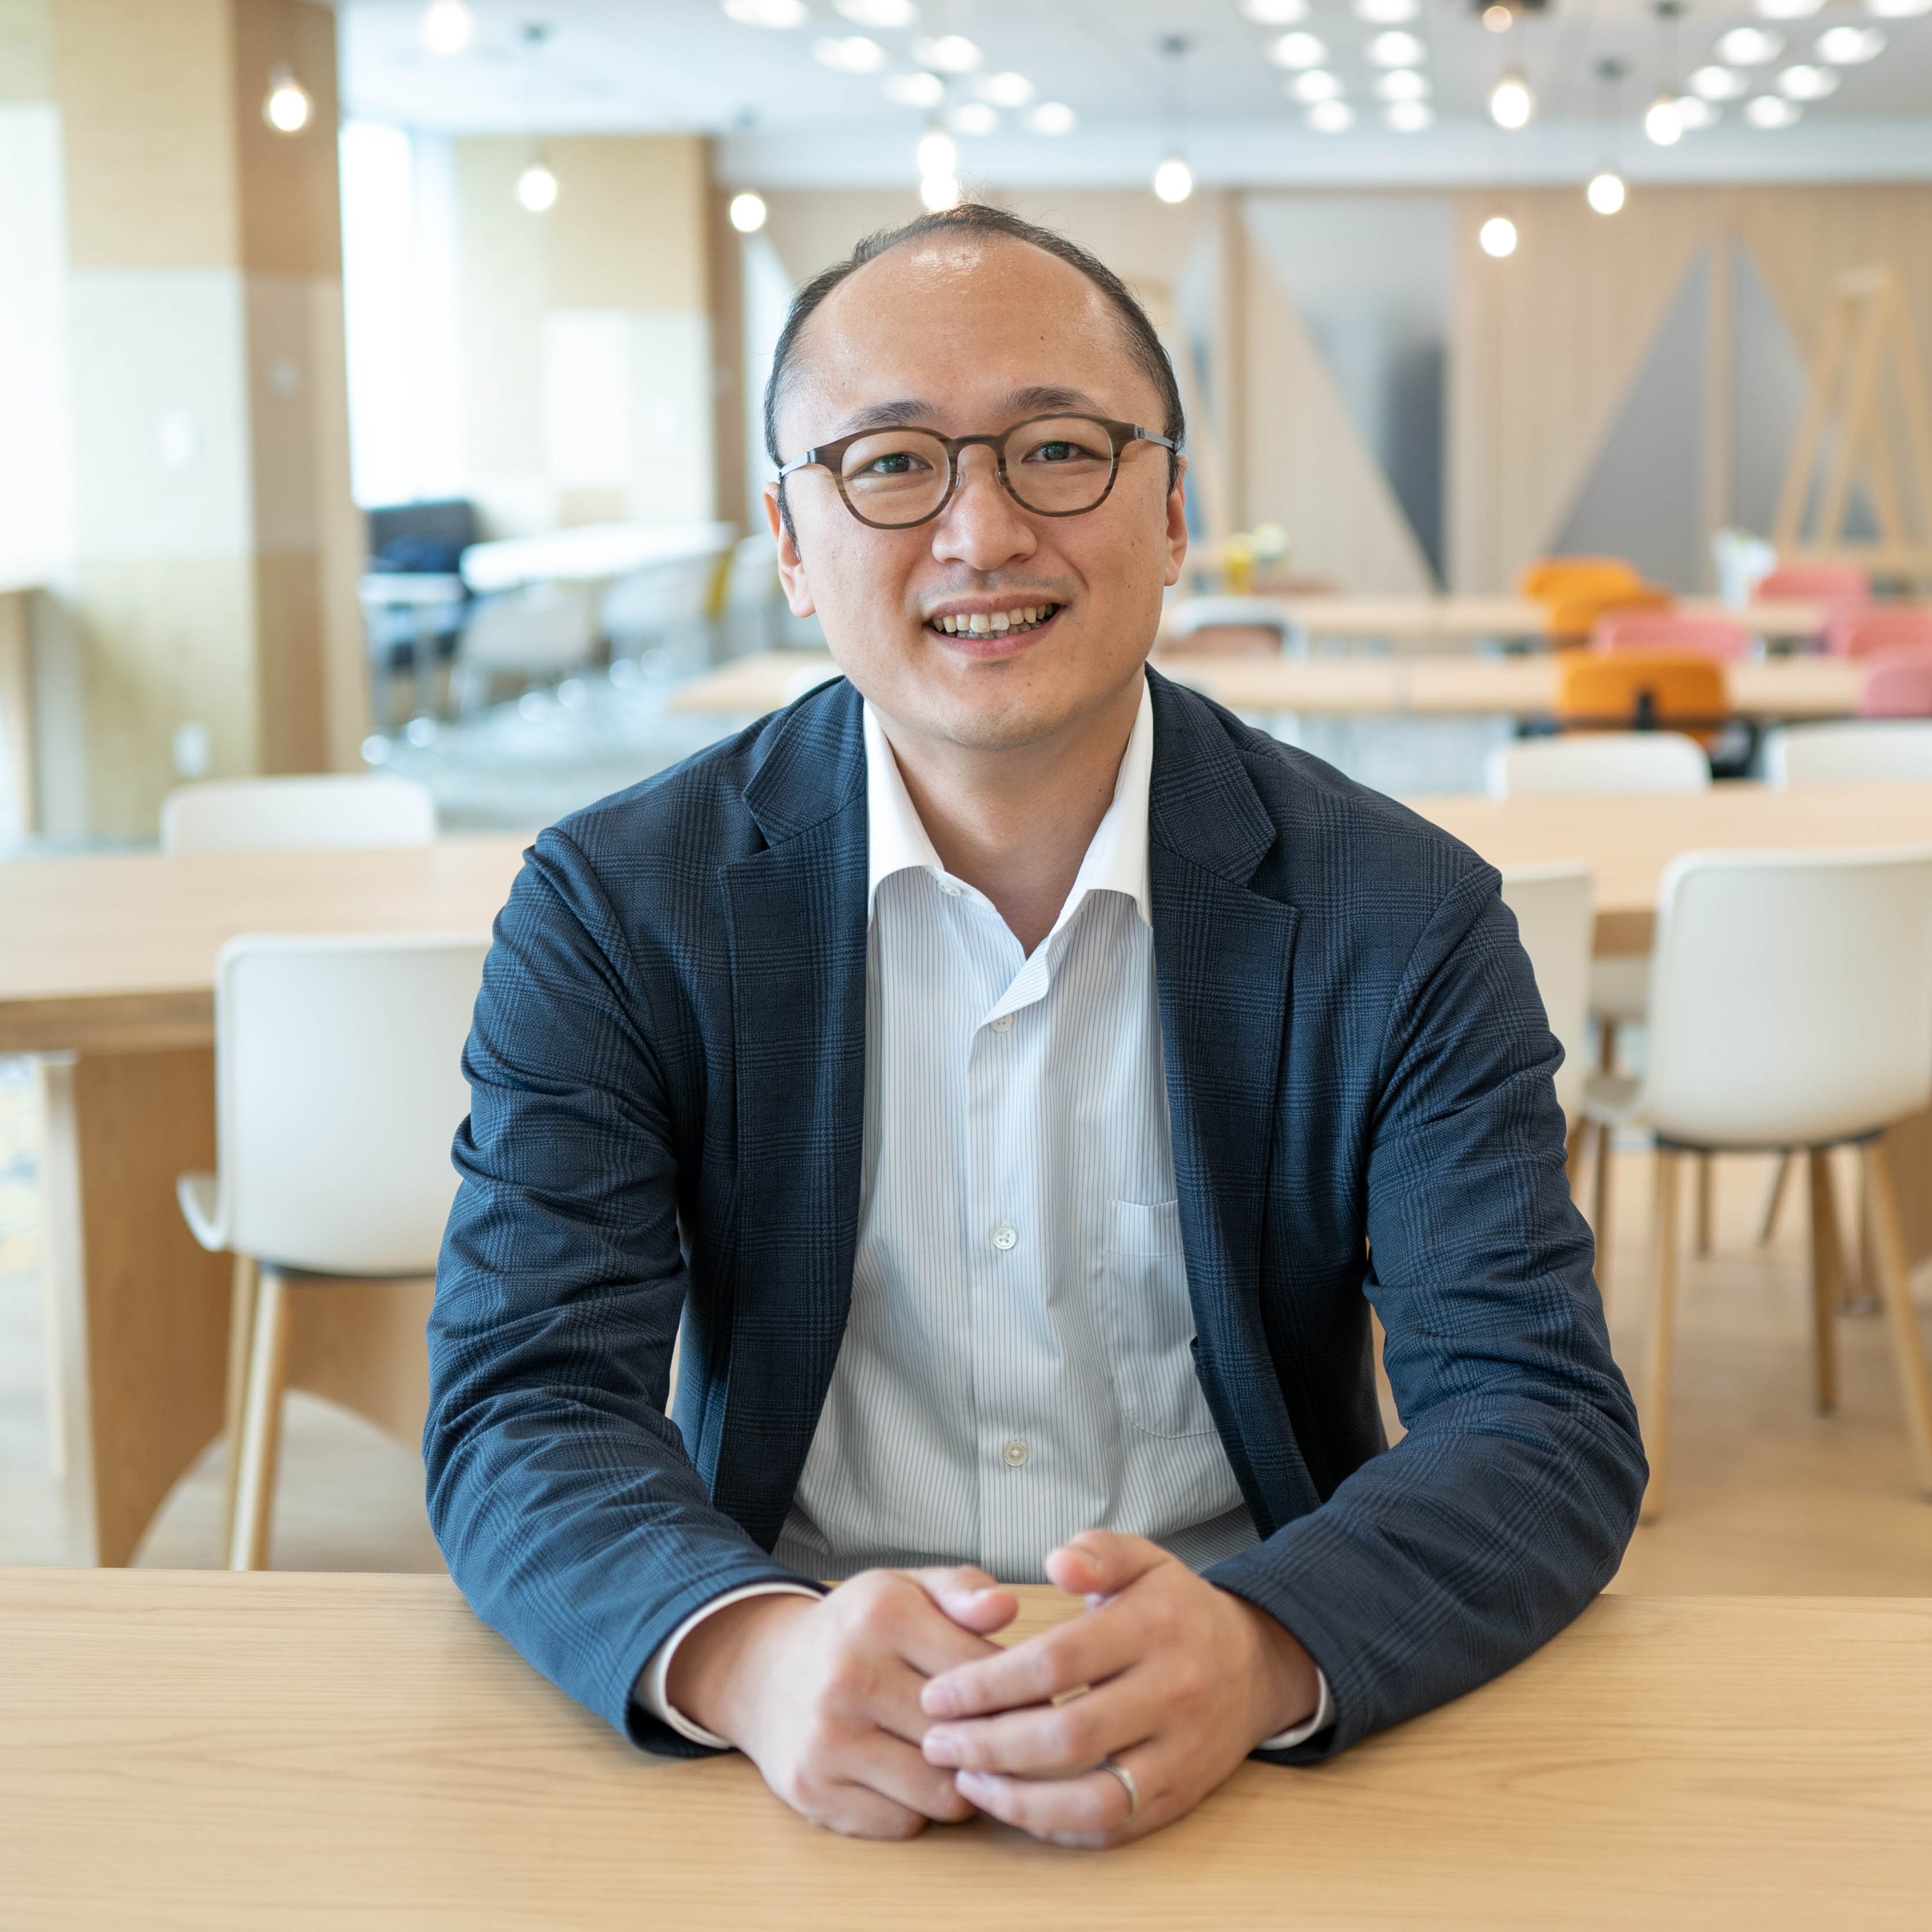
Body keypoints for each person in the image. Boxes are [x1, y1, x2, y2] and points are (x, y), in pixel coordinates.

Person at [427, 205, 1645, 1849]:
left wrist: (1266, 1643)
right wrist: (748, 1654)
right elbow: (524, 1402)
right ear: (789, 543)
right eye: (889, 465)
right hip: (791, 1717)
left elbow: (1535, 1417)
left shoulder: (1401, 913)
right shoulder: (616, 908)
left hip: (1242, 1713)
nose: (981, 532)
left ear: (1173, 507)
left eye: (1058, 449)